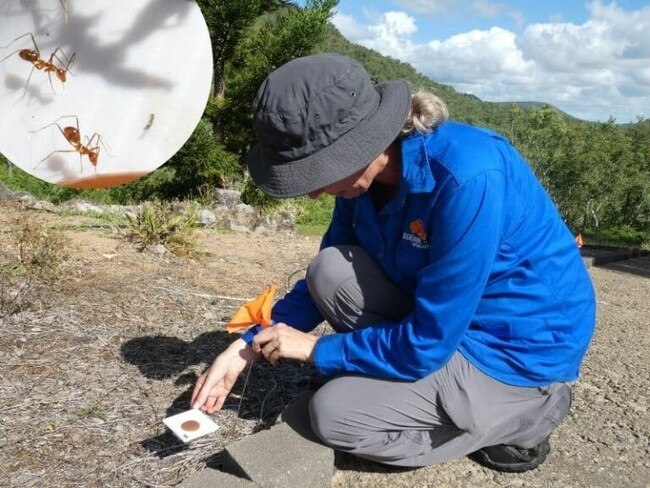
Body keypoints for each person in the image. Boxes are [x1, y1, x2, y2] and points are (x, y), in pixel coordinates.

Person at [191, 53, 596, 472]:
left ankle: (525, 415)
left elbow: (429, 341)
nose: (312, 194)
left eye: (314, 175)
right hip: (443, 317)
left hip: (514, 346)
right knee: (328, 270)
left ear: (358, 148)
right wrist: (245, 346)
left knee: (334, 414)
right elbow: (323, 285)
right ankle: (398, 382)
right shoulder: (360, 184)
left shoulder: (467, 178)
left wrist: (316, 348)